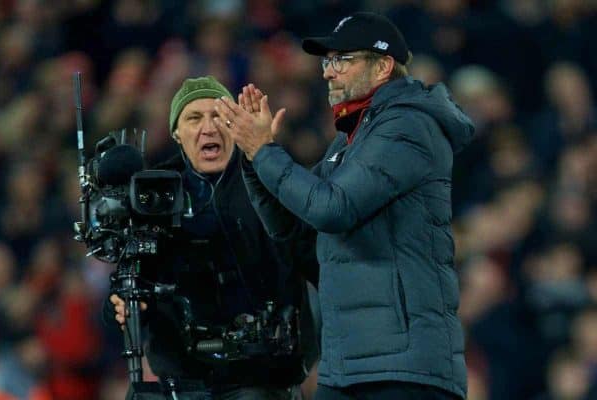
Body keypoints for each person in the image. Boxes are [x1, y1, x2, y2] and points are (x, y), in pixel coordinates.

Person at [213, 12, 474, 400]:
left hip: (404, 371)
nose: (328, 73)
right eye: (326, 61)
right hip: (347, 366)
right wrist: (254, 160)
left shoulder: (408, 127)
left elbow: (332, 209)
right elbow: (298, 232)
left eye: (341, 60)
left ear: (383, 65)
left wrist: (264, 150)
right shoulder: (351, 143)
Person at [104, 76, 319, 399]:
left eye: (218, 115)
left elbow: (309, 257)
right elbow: (129, 286)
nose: (209, 127)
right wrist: (124, 307)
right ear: (177, 133)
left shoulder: (269, 181)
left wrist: (268, 159)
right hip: (180, 382)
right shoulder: (154, 196)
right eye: (194, 118)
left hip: (260, 381)